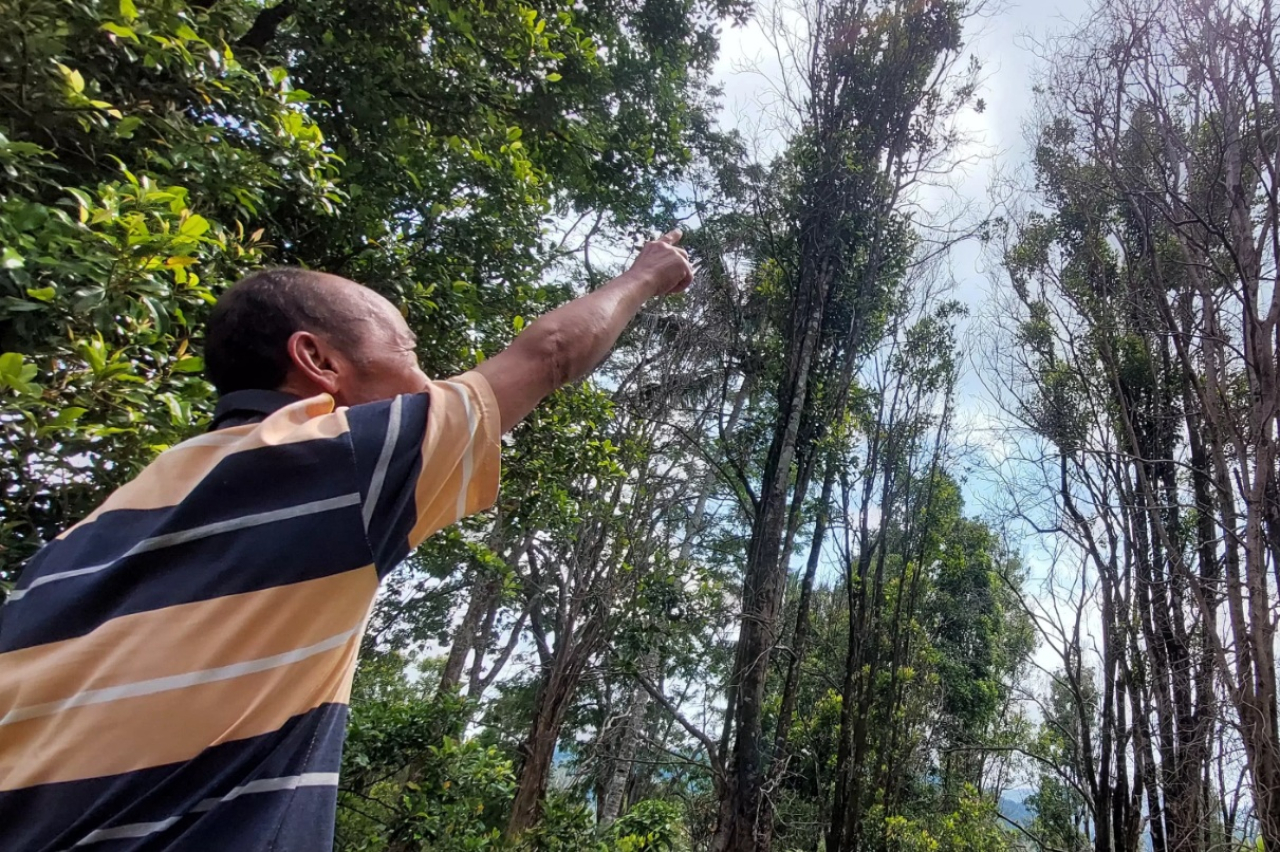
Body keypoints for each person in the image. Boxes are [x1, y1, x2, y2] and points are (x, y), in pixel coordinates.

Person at [0, 231, 693, 851]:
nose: (424, 381)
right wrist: (646, 275)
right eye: (409, 353)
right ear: (318, 360)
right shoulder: (336, 463)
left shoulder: (97, 523)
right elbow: (548, 356)